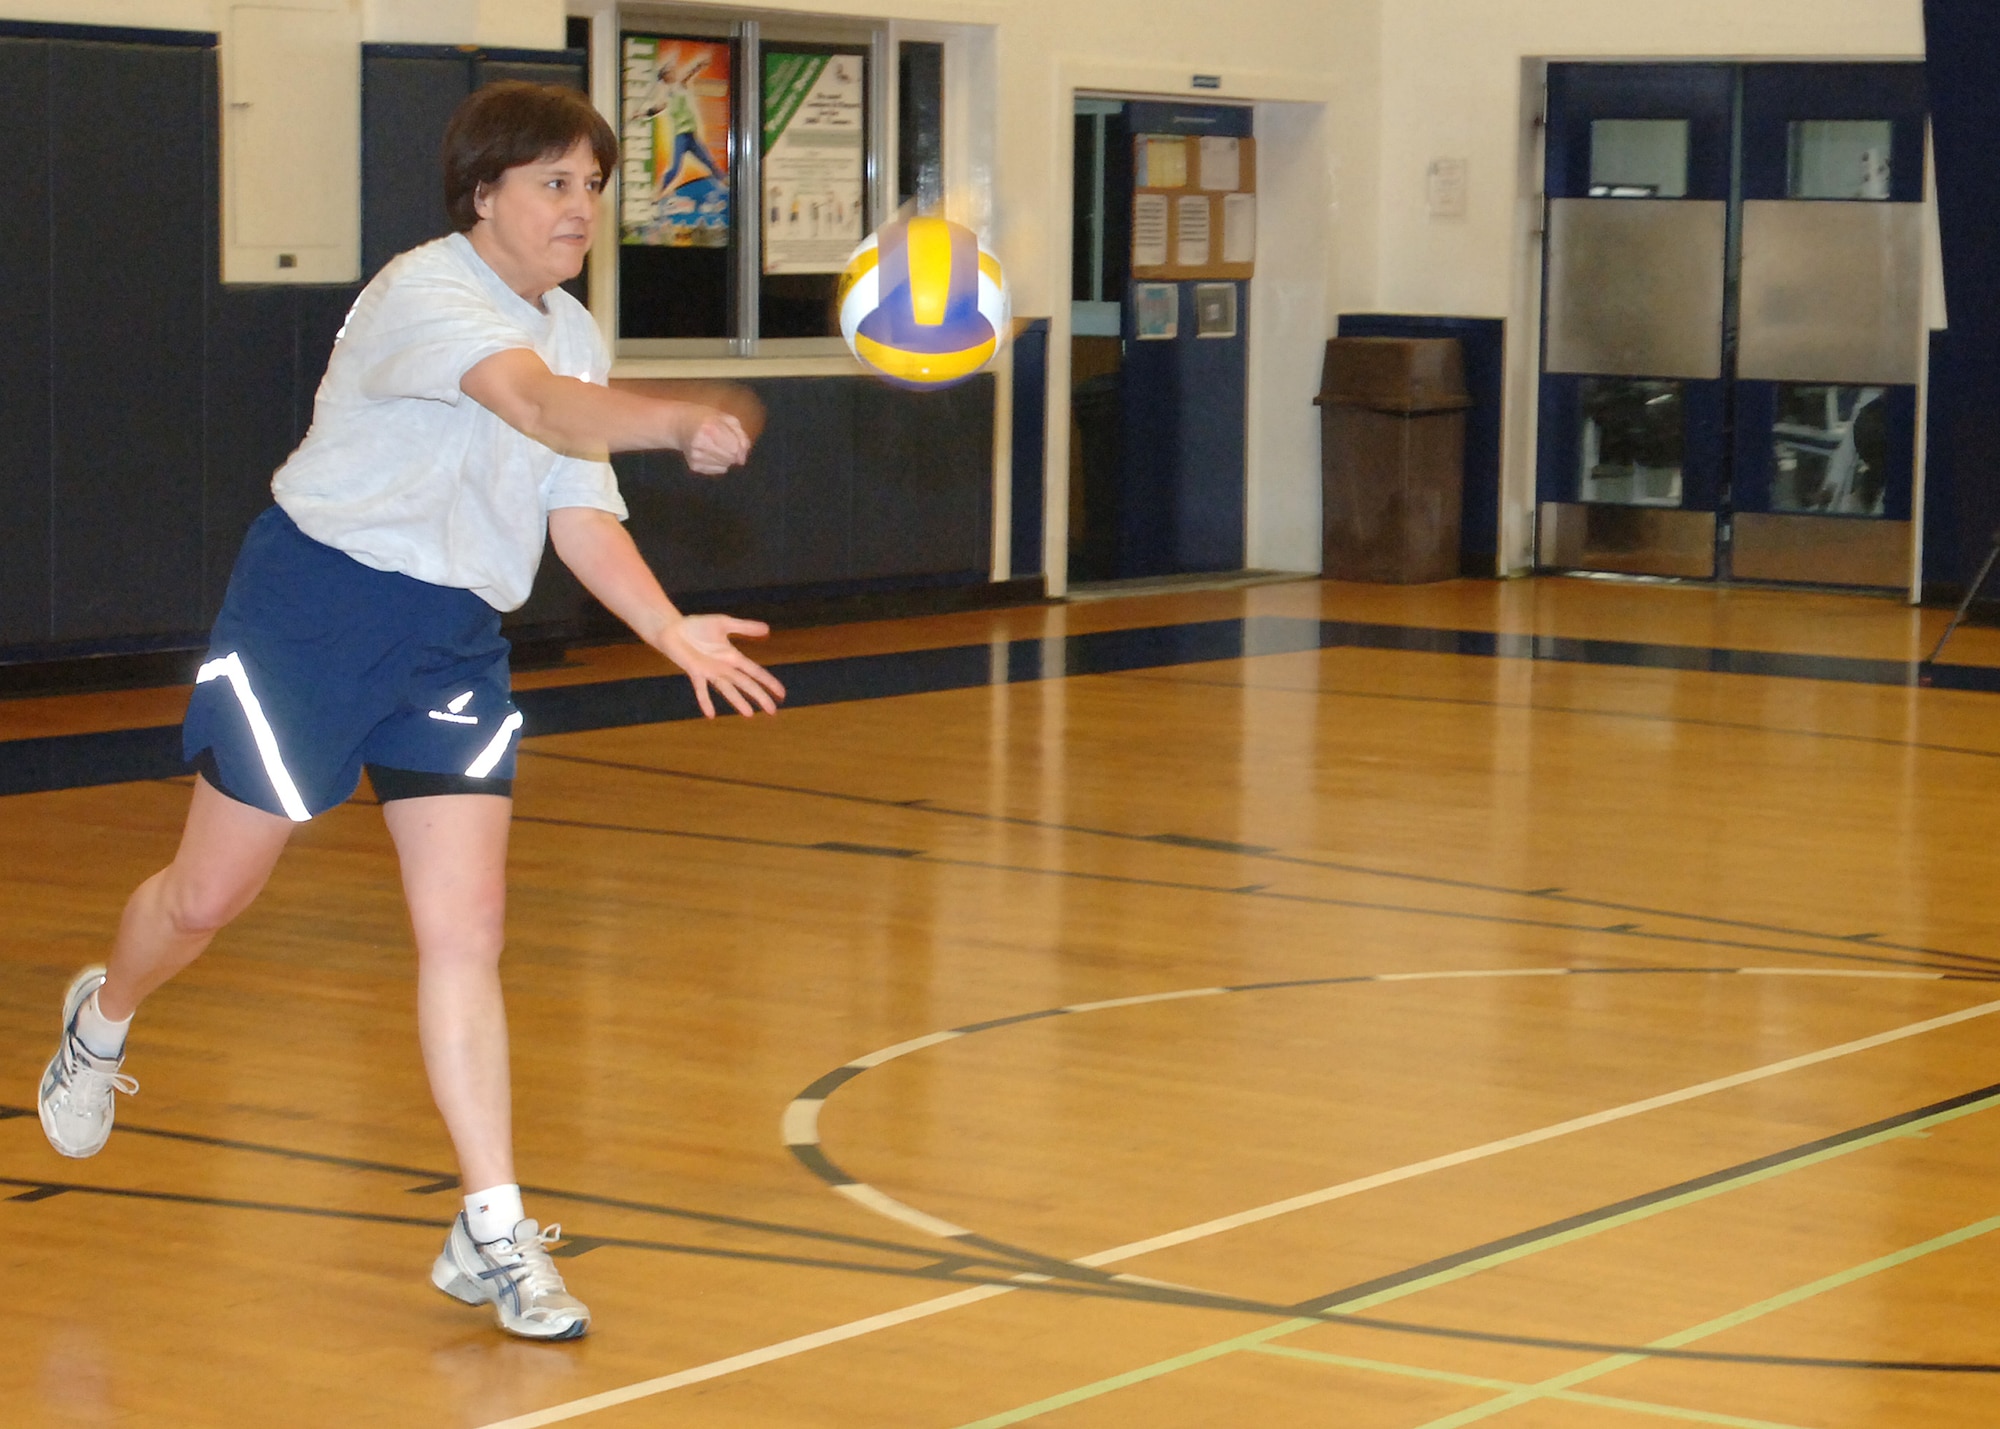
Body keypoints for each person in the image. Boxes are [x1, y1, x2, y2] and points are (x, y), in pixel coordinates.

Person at [35, 81, 785, 1342]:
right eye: (554, 182)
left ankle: (490, 1222)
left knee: (467, 933)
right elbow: (536, 405)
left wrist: (665, 626)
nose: (579, 206)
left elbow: (573, 503)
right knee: (208, 898)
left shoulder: (576, 333)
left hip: (450, 640)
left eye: (595, 185)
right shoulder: (421, 294)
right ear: (481, 192)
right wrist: (678, 417)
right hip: (314, 614)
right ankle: (101, 1017)